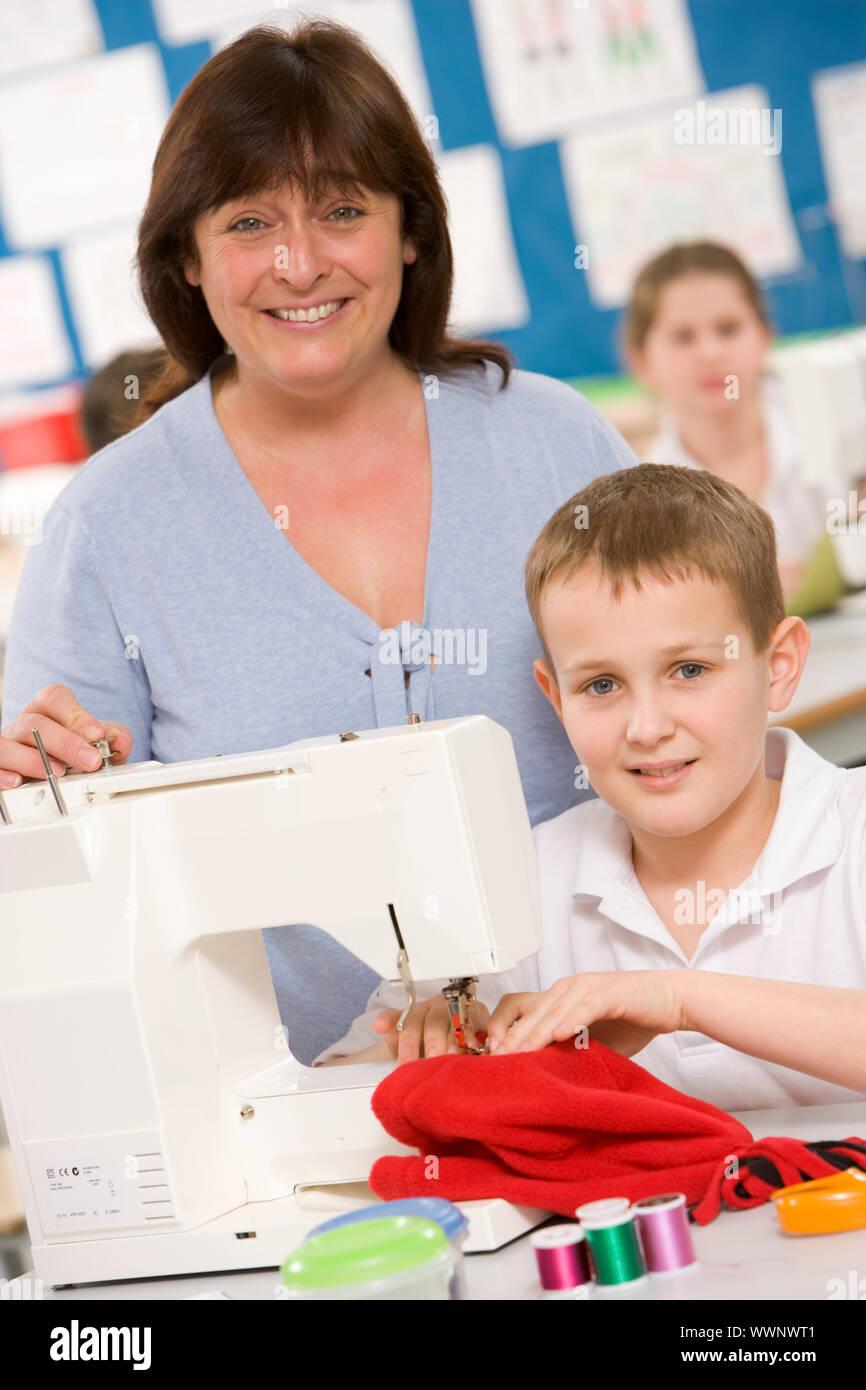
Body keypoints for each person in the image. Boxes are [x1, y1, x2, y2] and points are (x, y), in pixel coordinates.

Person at [0, 19, 637, 1066]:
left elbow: (705, 725)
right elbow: (79, 884)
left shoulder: (556, 442)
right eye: (249, 222)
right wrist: (44, 803)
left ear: (411, 232)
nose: (301, 265)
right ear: (187, 260)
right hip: (285, 1142)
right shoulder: (107, 526)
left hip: (614, 1068)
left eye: (343, 210)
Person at [322, 464, 866, 1113]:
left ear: (777, 668)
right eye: (601, 686)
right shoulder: (517, 880)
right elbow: (332, 1090)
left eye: (689, 670)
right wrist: (418, 1050)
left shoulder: (853, 833)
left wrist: (678, 999)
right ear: (555, 698)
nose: (647, 727)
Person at [622, 241, 843, 604]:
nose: (710, 353)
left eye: (728, 329)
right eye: (683, 337)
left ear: (764, 336)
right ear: (643, 361)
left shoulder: (834, 430)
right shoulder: (646, 500)